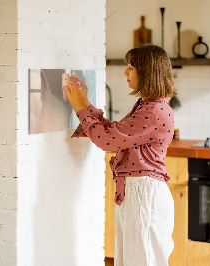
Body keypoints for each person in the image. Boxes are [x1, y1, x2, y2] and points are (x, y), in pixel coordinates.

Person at [64, 44, 176, 266]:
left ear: (147, 72)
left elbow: (107, 141)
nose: (125, 72)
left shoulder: (153, 111)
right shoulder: (149, 106)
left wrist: (79, 108)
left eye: (131, 67)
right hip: (139, 193)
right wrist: (85, 103)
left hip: (144, 195)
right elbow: (115, 133)